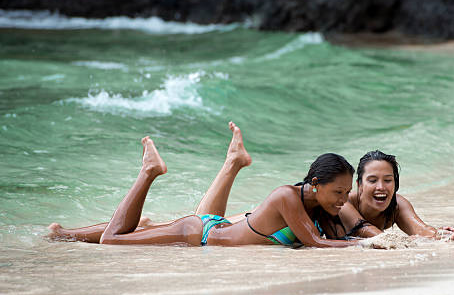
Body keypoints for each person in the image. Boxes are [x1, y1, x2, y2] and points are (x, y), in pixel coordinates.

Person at [47, 122, 360, 248]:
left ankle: (65, 235)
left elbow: (341, 230)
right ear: (316, 184)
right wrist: (368, 247)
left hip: (215, 227)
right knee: (112, 242)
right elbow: (316, 245)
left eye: (347, 193)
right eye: (339, 192)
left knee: (137, 229)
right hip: (198, 233)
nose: (344, 200)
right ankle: (149, 172)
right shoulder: (286, 196)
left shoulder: (314, 206)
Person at [338, 150, 454, 241]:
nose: (381, 187)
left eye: (387, 180)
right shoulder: (343, 203)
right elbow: (365, 230)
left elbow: (420, 229)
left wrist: (439, 234)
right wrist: (404, 240)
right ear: (359, 184)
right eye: (372, 180)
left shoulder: (397, 204)